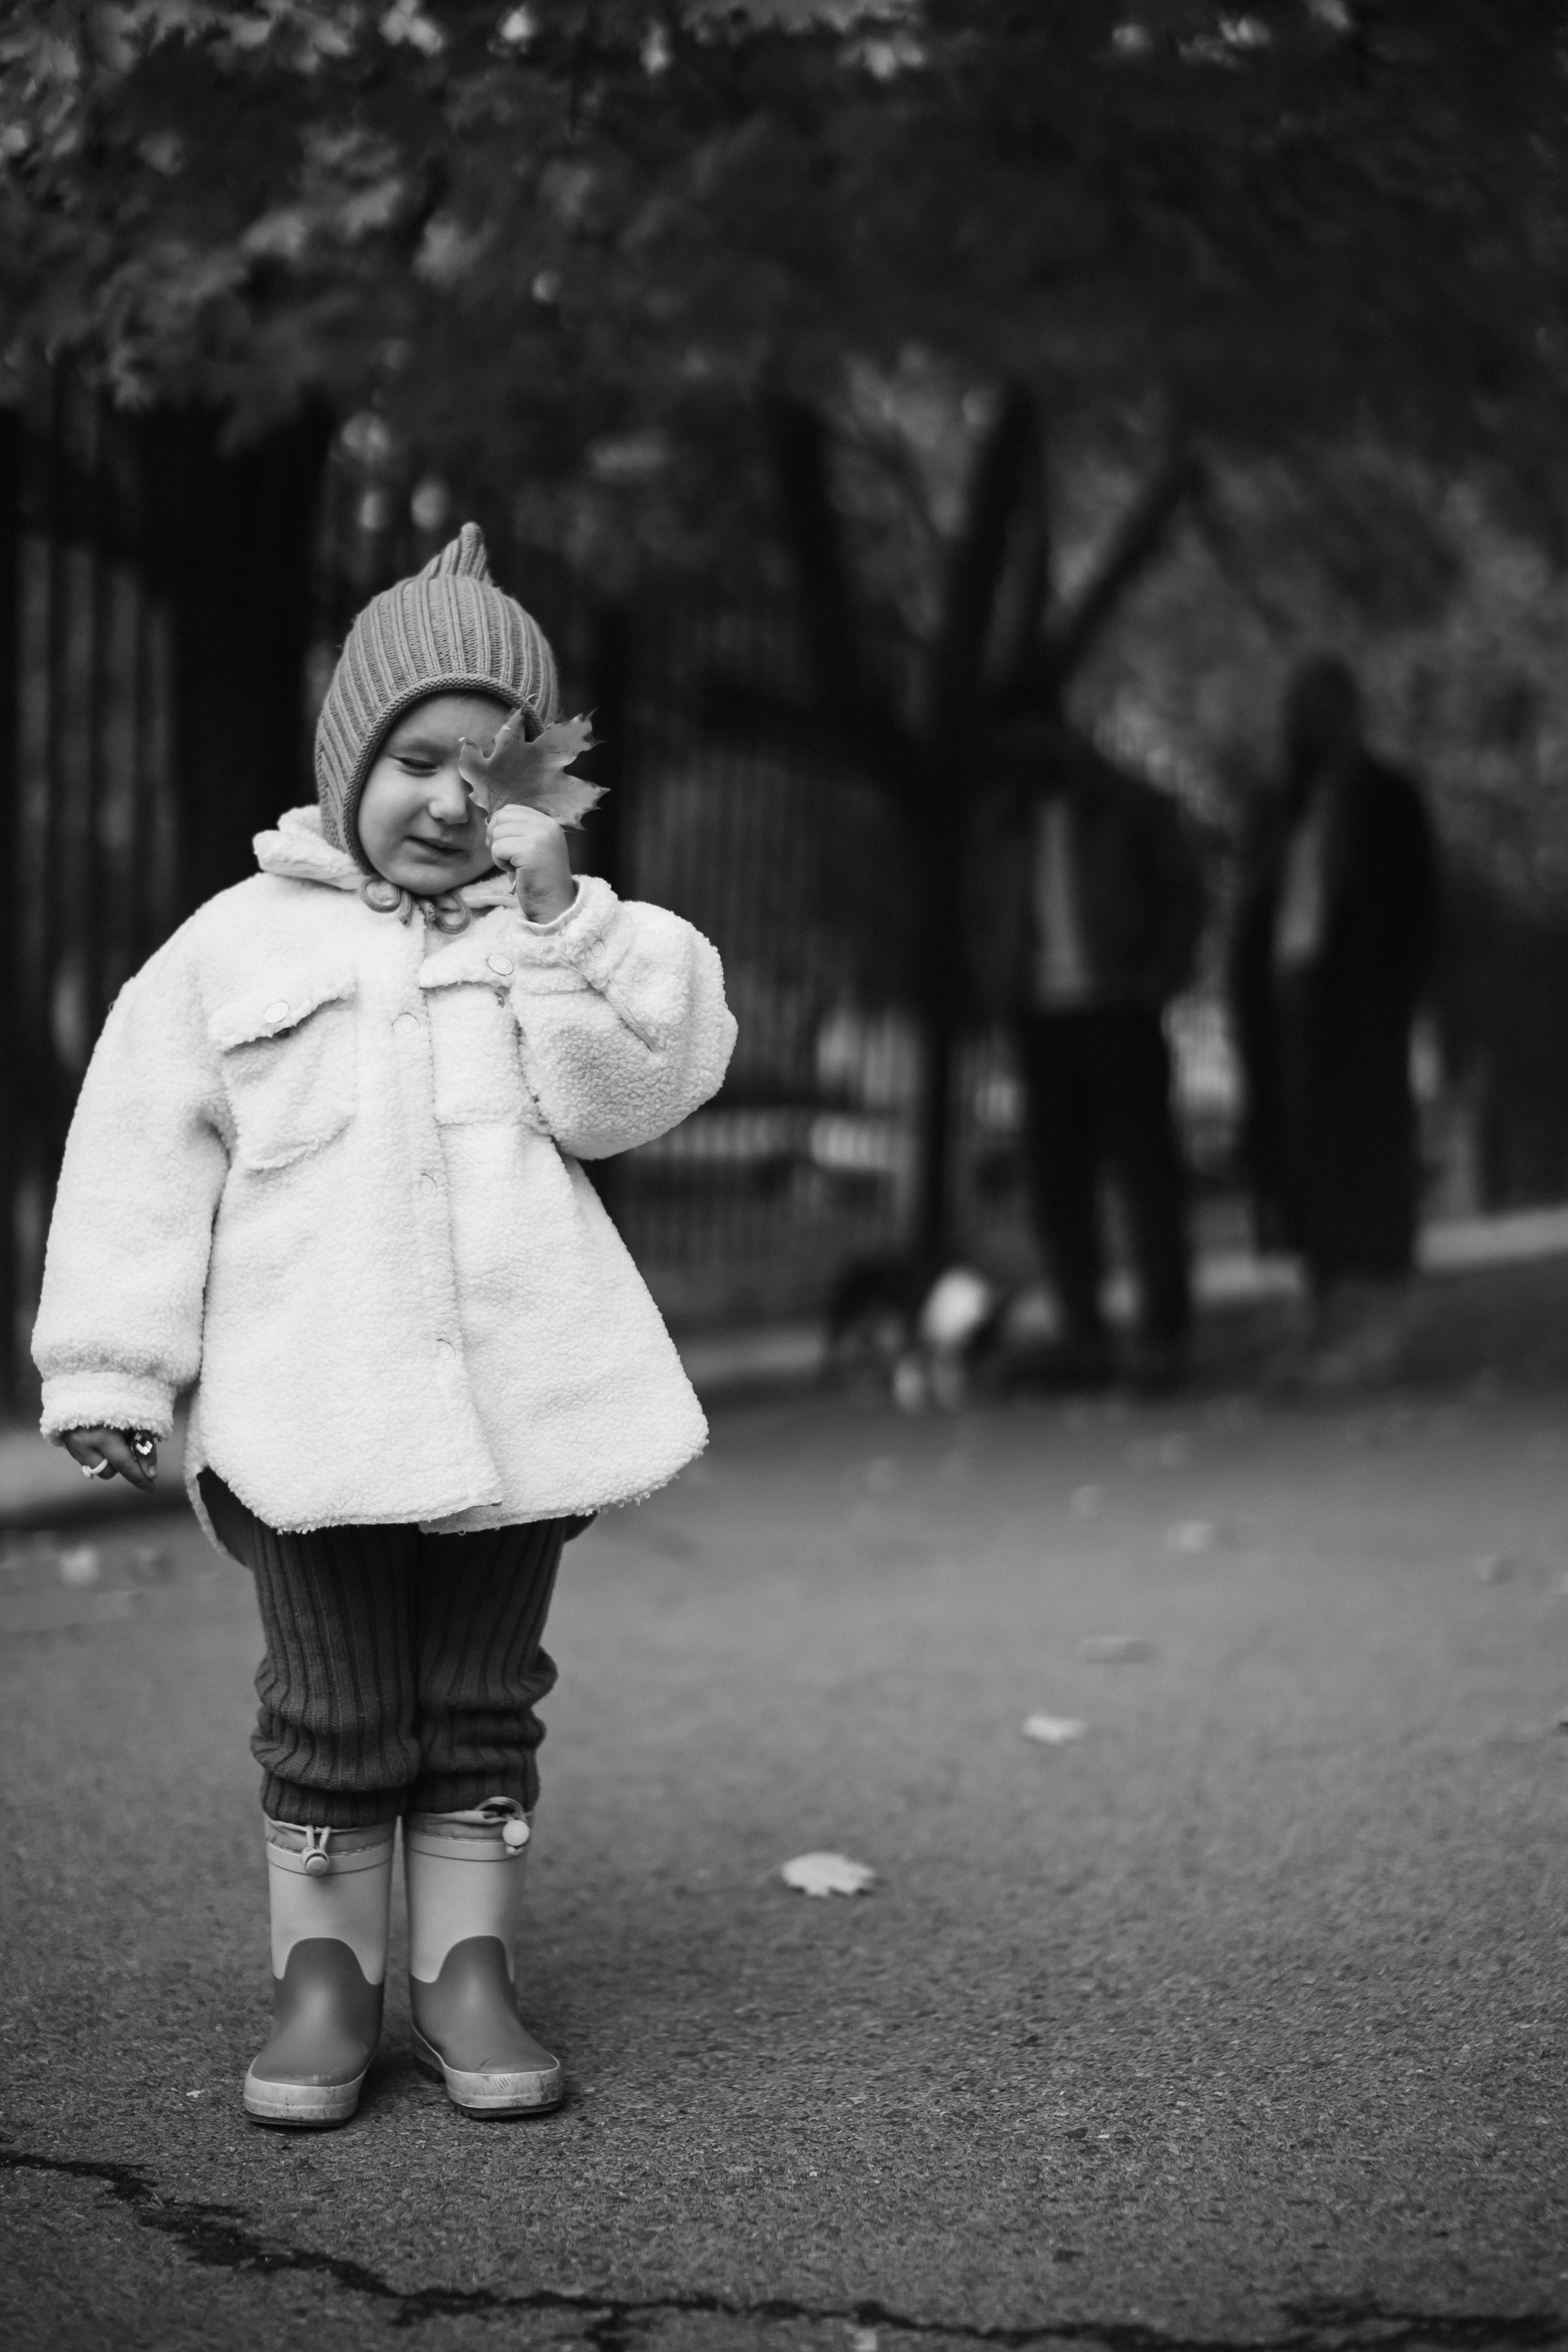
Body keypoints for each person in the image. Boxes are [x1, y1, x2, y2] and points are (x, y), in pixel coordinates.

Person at [31, 525, 736, 2128]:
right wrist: (114, 1365)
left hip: (518, 1405)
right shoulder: (231, 947)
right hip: (314, 1410)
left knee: (483, 1697)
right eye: (417, 762)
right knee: (331, 1707)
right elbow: (140, 1158)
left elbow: (634, 1088)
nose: (450, 802)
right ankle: (324, 1983)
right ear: (349, 760)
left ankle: (466, 1973)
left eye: (490, 771)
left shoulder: (552, 934)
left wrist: (561, 926)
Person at [968, 721, 1206, 1392]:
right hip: (1041, 1018)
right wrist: (1000, 983)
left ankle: (1164, 1335)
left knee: (1146, 1176)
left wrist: (1153, 980)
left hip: (1119, 1010)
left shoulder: (1125, 807)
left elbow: (1181, 896)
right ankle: (1084, 1335)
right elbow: (981, 913)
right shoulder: (1004, 822)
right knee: (1059, 1182)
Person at [1227, 654, 1438, 1385]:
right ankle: (1323, 1298)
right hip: (1288, 992)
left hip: (1361, 1003)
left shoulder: (1388, 801)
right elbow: (1251, 905)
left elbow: (1416, 911)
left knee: (1363, 1144)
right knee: (1298, 1146)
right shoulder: (1277, 804)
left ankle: (1373, 1303)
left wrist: (1395, 994)